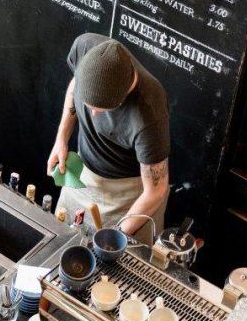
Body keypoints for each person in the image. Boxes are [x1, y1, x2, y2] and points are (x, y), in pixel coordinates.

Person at [47, 33, 170, 244]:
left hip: (128, 197)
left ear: (123, 98)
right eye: (88, 105)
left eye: (101, 109)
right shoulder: (85, 47)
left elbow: (157, 190)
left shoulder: (149, 114)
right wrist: (62, 138)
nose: (93, 114)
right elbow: (75, 85)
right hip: (83, 176)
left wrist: (116, 236)